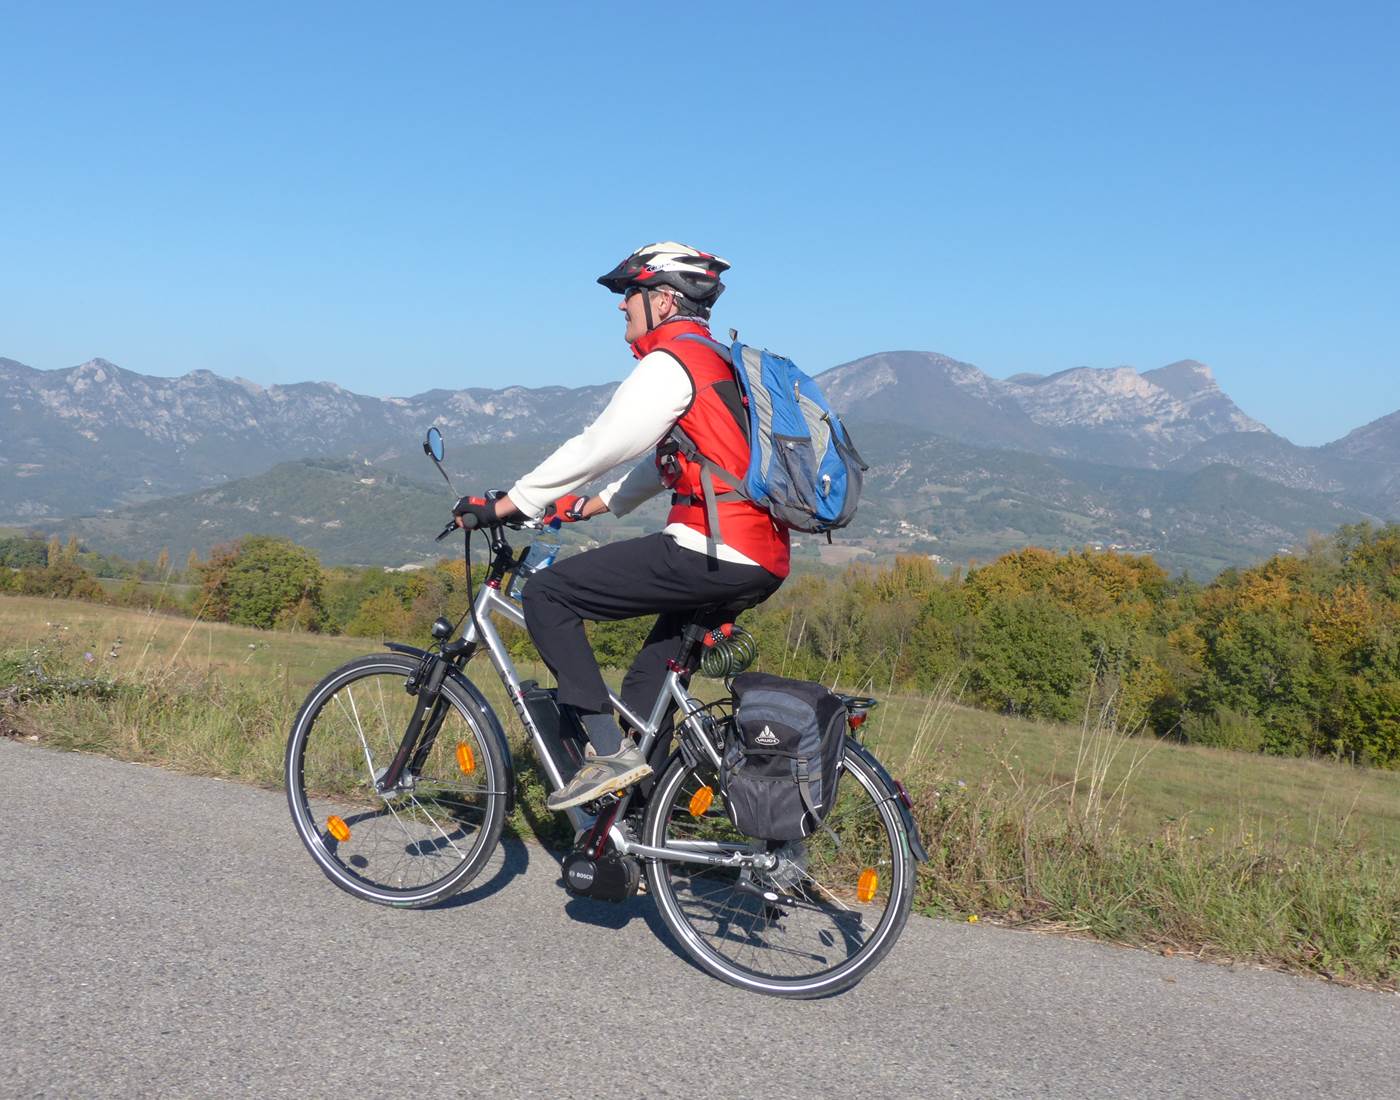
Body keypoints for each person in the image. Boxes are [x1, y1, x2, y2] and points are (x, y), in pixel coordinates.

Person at [452, 242, 790, 810]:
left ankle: (607, 757)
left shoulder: (672, 362)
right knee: (643, 692)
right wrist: (590, 506)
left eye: (630, 293)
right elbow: (674, 461)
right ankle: (632, 822)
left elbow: (600, 445)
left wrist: (512, 502)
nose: (621, 306)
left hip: (713, 547)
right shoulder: (717, 362)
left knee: (549, 594)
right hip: (760, 558)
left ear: (662, 300)